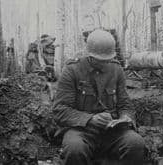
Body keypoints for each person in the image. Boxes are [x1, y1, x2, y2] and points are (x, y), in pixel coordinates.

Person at [52, 29, 145, 165]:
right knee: (74, 149)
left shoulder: (116, 69)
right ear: (89, 54)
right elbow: (60, 110)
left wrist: (126, 118)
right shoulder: (72, 70)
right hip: (81, 130)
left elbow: (125, 104)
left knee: (135, 143)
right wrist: (90, 119)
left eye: (108, 59)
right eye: (99, 60)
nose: (104, 63)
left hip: (112, 131)